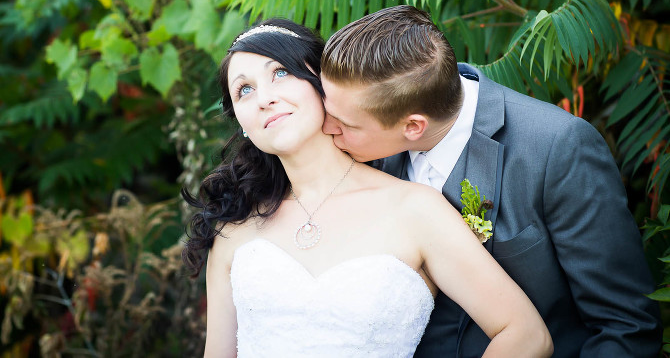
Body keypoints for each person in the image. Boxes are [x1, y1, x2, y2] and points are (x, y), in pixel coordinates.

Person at [182, 18, 552, 358]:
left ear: (321, 81)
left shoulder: (416, 209)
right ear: (242, 122)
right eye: (244, 90)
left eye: (279, 73)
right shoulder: (234, 228)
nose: (264, 98)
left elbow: (525, 334)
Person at [319, 5, 662, 358]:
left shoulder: (557, 149)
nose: (327, 129)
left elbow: (626, 326)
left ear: (413, 127)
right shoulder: (360, 144)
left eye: (345, 124)